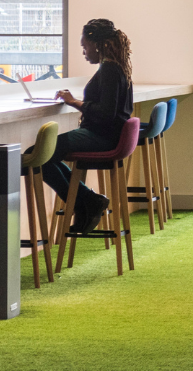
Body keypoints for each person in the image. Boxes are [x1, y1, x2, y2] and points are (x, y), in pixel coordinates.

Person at [45, 18, 135, 234]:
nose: (84, 52)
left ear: (98, 44)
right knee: (44, 155)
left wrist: (75, 102)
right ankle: (87, 201)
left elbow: (106, 113)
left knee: (40, 154)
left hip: (102, 136)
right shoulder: (118, 67)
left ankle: (85, 201)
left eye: (84, 46)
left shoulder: (109, 70)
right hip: (110, 135)